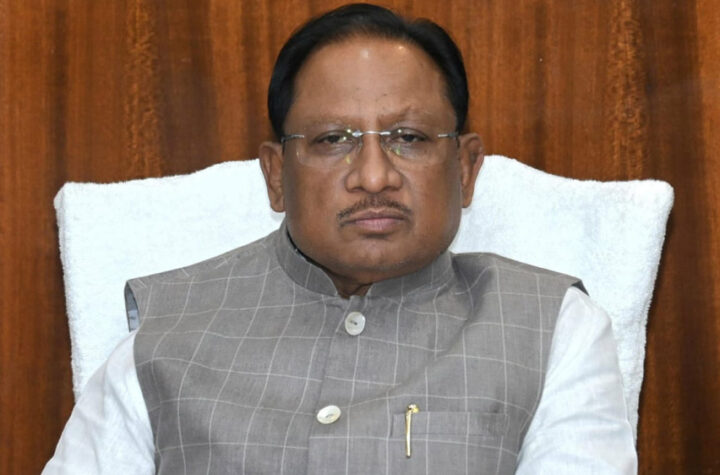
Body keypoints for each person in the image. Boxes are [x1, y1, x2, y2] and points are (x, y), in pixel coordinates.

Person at [44, 4, 636, 474]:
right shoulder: (167, 333)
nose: (373, 177)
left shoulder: (553, 327)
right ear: (276, 175)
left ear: (465, 167)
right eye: (333, 140)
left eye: (408, 137)